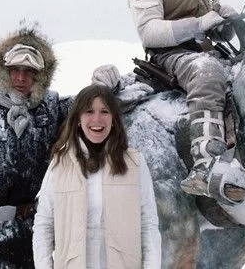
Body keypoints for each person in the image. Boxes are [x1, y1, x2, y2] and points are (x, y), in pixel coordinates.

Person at [0, 26, 114, 268]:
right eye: (14, 70)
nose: (21, 78)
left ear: (41, 76)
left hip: (30, 232)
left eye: (29, 71)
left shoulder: (53, 109)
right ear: (2, 71)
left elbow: (90, 109)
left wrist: (103, 86)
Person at [128, 0, 245, 204]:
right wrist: (197, 24)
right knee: (207, 72)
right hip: (169, 57)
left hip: (208, 51)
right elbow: (149, 32)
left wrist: (226, 22)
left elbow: (217, 32)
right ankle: (205, 167)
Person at [32, 84, 161, 268]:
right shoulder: (60, 164)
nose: (97, 119)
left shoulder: (135, 163)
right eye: (89, 111)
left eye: (105, 111)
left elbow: (148, 225)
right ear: (78, 119)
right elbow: (44, 224)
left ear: (114, 119)